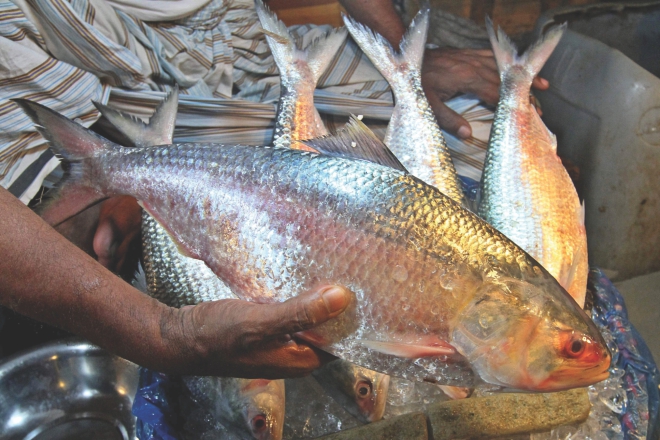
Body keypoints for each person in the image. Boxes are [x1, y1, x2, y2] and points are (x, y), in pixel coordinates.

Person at [0, 0, 547, 377]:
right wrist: (162, 333)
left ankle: (150, 168)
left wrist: (412, 69)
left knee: (485, 123)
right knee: (85, 247)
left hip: (237, 43)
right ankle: (116, 172)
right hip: (53, 66)